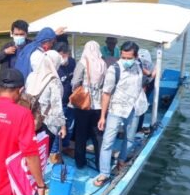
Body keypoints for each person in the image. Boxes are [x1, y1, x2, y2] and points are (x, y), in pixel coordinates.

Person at [95, 41, 149, 186]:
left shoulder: (138, 66)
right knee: (107, 142)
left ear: (135, 56)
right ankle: (104, 173)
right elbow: (106, 93)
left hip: (134, 109)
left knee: (130, 139)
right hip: (116, 109)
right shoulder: (114, 69)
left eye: (128, 57)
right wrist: (102, 116)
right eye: (123, 57)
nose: (125, 60)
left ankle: (121, 161)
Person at [25, 50, 66, 162]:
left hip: (30, 121)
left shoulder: (31, 76)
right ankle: (38, 177)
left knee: (30, 153)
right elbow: (57, 108)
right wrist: (63, 126)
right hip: (47, 123)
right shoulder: (54, 82)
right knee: (42, 154)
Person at [71, 41, 106, 169]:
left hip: (83, 104)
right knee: (98, 135)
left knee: (81, 134)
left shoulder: (83, 62)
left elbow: (75, 82)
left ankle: (80, 162)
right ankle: (100, 163)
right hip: (98, 105)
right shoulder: (103, 63)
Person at [54, 42, 76, 155]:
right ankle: (55, 151)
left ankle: (66, 146)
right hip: (58, 103)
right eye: (59, 55)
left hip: (71, 101)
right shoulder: (53, 66)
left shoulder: (72, 62)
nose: (61, 58)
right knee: (57, 128)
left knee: (70, 126)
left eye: (63, 55)